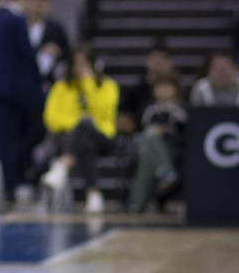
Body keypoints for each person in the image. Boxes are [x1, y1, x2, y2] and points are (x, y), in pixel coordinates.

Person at [0, 0, 43, 203]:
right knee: (26, 132)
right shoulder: (16, 21)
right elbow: (27, 55)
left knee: (3, 139)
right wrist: (37, 80)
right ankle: (15, 181)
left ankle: (8, 185)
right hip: (17, 91)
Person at [39, 45, 119, 212]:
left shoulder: (108, 86)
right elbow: (51, 118)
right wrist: (77, 123)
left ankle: (62, 167)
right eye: (76, 64)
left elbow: (105, 113)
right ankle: (93, 194)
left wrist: (89, 84)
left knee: (86, 127)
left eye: (84, 64)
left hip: (102, 137)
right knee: (83, 139)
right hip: (70, 139)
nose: (79, 68)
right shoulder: (61, 87)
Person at [126, 77, 186, 213]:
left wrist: (163, 132)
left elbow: (183, 131)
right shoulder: (150, 110)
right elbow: (143, 129)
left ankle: (136, 203)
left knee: (147, 155)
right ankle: (167, 173)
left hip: (173, 149)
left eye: (167, 87)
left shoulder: (181, 109)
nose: (164, 91)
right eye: (160, 87)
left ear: (175, 90)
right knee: (148, 149)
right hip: (151, 149)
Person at [23, 0, 70, 82]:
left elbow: (67, 51)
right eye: (36, 1)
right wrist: (40, 51)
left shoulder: (55, 27)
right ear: (28, 2)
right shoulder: (20, 26)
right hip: (24, 78)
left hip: (48, 80)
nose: (39, 5)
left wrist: (57, 52)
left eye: (44, 1)